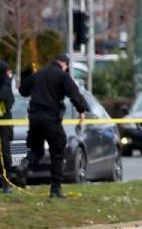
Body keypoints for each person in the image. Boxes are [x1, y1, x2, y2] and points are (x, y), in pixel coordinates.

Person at [18, 53, 89, 198]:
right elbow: (74, 93)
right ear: (65, 64)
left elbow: (23, 91)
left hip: (35, 118)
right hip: (51, 119)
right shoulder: (62, 76)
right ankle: (55, 190)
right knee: (58, 152)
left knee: (37, 150)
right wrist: (82, 110)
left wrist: (25, 74)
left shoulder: (38, 74)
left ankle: (24, 165)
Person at [0, 61, 13, 193]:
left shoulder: (6, 88)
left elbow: (7, 101)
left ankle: (6, 183)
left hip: (3, 125)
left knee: (4, 154)